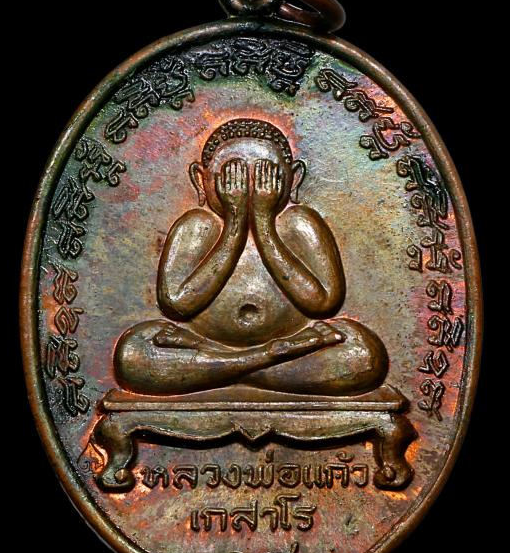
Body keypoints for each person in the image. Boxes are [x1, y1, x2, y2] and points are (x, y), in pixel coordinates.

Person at [114, 118, 388, 396]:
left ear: (293, 178)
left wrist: (264, 223)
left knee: (364, 355)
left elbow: (324, 303)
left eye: (265, 175)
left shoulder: (299, 223)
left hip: (274, 341)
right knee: (132, 353)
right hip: (253, 346)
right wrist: (235, 223)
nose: (247, 189)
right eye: (232, 176)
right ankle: (264, 360)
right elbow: (176, 303)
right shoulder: (196, 225)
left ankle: (224, 365)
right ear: (201, 179)